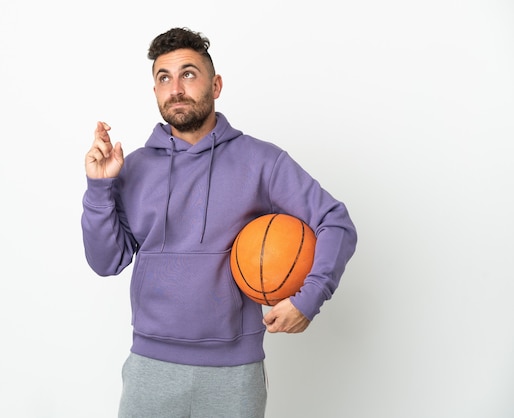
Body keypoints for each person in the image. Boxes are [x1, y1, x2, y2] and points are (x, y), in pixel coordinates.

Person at [81, 27, 357, 418]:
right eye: (164, 78)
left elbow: (335, 221)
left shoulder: (262, 161)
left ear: (216, 84)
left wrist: (309, 298)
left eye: (189, 74)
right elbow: (105, 262)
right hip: (150, 366)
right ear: (156, 91)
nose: (176, 88)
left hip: (233, 371)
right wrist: (99, 187)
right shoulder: (134, 167)